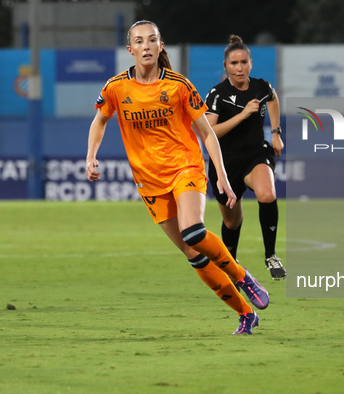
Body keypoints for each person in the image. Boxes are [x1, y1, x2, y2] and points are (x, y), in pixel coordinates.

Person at [85, 20, 269, 335]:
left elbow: (208, 134)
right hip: (149, 182)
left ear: (161, 46)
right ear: (130, 50)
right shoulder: (116, 87)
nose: (146, 46)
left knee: (193, 232)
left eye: (152, 40)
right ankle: (245, 314)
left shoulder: (179, 85)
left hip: (185, 168)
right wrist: (91, 156)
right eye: (139, 41)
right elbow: (99, 121)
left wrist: (221, 176)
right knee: (194, 255)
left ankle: (242, 277)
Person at [204, 35, 286, 280]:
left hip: (255, 154)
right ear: (226, 66)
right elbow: (210, 133)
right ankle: (231, 265)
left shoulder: (261, 87)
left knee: (268, 194)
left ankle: (271, 256)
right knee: (232, 222)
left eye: (243, 62)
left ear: (251, 63)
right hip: (225, 162)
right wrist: (242, 115)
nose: (239, 67)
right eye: (233, 63)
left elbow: (272, 99)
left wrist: (276, 133)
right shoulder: (217, 94)